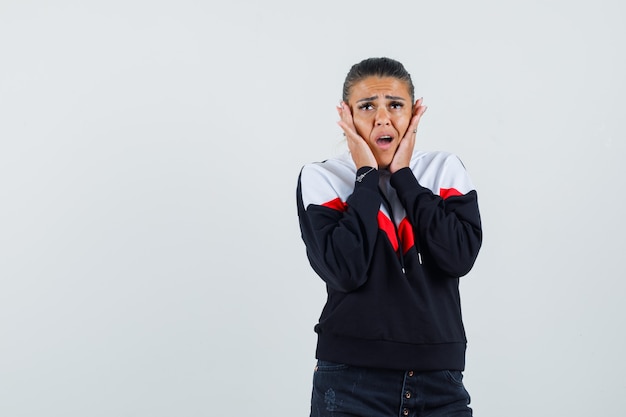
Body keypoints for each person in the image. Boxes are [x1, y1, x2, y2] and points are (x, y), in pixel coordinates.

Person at [296, 57, 483, 416]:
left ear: (414, 112)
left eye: (395, 105)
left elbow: (458, 256)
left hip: (440, 383)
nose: (382, 118)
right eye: (367, 106)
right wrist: (366, 174)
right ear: (347, 115)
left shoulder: (444, 170)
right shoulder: (321, 178)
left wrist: (404, 178)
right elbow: (344, 270)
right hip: (350, 383)